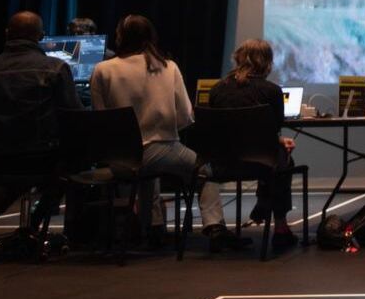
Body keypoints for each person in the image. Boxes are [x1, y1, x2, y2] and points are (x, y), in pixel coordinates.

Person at [91, 15, 249, 252]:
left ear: (120, 37)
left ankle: (153, 226)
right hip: (162, 148)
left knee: (147, 168)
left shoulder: (102, 69)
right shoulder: (167, 67)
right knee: (205, 170)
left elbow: (99, 117)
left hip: (120, 157)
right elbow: (186, 116)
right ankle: (214, 226)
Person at [0, 12, 81, 256]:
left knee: (12, 180)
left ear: (7, 35)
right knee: (73, 166)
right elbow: (73, 116)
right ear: (41, 37)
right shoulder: (56, 68)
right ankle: (35, 226)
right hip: (44, 158)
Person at [209, 39, 299, 249]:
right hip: (261, 163)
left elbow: (222, 131)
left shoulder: (216, 90)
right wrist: (278, 141)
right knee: (284, 158)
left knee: (276, 154)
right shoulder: (272, 91)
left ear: (237, 58)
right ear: (267, 63)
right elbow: (272, 129)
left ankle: (265, 202)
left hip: (222, 164)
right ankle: (280, 227)